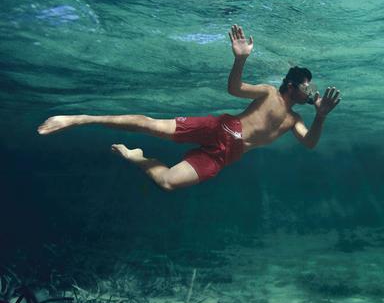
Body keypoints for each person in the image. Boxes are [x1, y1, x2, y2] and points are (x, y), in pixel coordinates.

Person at [37, 24, 341, 191]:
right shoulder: (267, 93)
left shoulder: (295, 119)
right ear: (291, 84)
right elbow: (234, 89)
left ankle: (138, 158)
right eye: (307, 86)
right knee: (149, 125)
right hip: (221, 127)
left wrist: (321, 116)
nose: (311, 91)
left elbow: (311, 143)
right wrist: (240, 59)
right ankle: (79, 118)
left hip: (228, 155)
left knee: (168, 183)